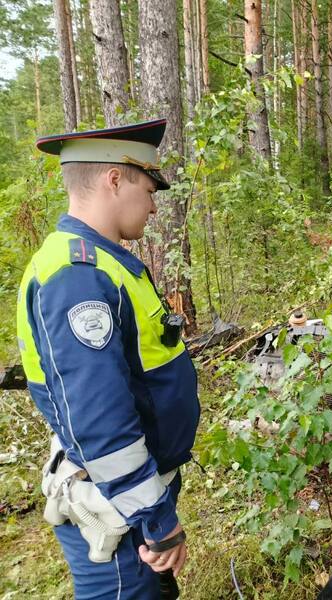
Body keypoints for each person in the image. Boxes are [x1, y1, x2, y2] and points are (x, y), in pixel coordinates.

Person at [15, 119, 200, 599]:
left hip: (129, 499)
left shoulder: (103, 263)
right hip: (119, 510)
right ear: (114, 179)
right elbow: (99, 417)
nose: (154, 205)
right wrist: (155, 516)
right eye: (149, 189)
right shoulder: (77, 277)